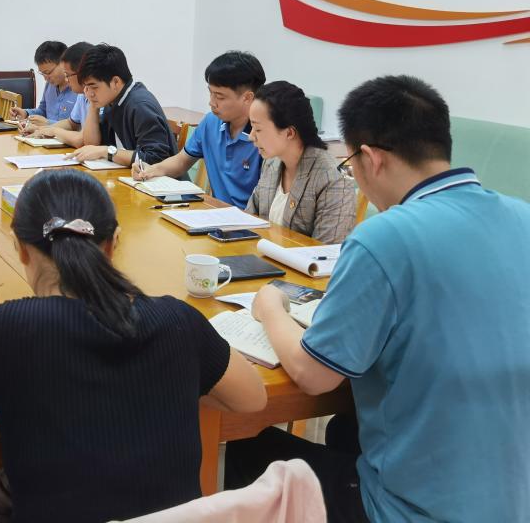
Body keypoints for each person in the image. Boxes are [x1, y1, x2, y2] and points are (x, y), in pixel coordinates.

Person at [0, 169, 266, 523]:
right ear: (114, 243)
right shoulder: (178, 320)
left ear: (20, 248)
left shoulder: (3, 330)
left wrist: (0, 403)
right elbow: (252, 398)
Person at [225, 75, 530, 523]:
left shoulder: (382, 238)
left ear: (371, 158)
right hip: (513, 499)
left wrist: (271, 309)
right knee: (345, 429)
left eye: (351, 165)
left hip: (416, 510)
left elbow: (313, 375)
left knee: (245, 447)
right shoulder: (522, 216)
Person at [134, 51, 264, 208]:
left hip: (249, 218)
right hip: (215, 211)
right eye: (210, 93)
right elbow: (181, 162)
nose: (212, 102)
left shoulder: (263, 135)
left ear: (247, 98)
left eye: (220, 97)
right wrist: (151, 170)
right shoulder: (211, 122)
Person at [244, 81, 356, 243]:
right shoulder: (271, 163)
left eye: (258, 129)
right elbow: (250, 221)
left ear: (289, 133)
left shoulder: (333, 179)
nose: (251, 136)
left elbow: (324, 253)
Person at [69, 44, 177, 166]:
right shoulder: (111, 99)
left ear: (116, 82)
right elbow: (92, 146)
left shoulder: (140, 105)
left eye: (93, 87)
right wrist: (93, 107)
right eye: (86, 87)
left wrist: (107, 151)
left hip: (161, 177)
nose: (88, 93)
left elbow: (156, 158)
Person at [28, 41, 92, 148]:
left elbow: (82, 139)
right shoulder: (82, 95)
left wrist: (53, 130)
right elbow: (71, 123)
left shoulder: (97, 97)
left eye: (67, 74)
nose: (66, 79)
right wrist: (40, 129)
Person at [10, 41, 79, 126]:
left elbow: (78, 126)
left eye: (48, 72)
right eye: (43, 73)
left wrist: (48, 123)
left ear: (63, 64)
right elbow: (43, 110)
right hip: (45, 133)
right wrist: (26, 113)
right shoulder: (50, 84)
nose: (46, 78)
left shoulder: (79, 89)